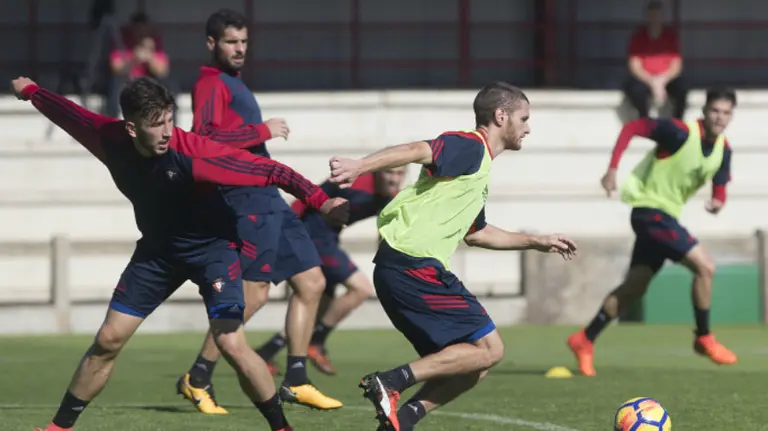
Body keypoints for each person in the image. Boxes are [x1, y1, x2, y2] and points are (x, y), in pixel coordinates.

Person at [16, 75, 348, 431]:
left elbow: (268, 169)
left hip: (214, 251)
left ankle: (282, 428)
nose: (166, 131)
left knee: (230, 342)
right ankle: (58, 428)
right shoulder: (108, 138)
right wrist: (32, 92)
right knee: (107, 340)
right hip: (159, 253)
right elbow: (69, 114)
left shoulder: (193, 153)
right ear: (131, 127)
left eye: (170, 120)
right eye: (156, 124)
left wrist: (322, 200)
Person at [327, 81, 578, 431]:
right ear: (501, 116)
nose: (528, 127)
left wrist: (535, 241)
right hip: (413, 266)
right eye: (524, 118)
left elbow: (477, 233)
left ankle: (402, 420)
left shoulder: (479, 168)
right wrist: (360, 167)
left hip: (402, 268)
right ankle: (391, 381)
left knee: (474, 364)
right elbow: (419, 148)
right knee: (490, 348)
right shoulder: (470, 146)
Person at [175, 9, 342, 413]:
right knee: (254, 295)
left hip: (269, 196)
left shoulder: (232, 81)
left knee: (313, 282)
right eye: (232, 42)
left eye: (244, 42)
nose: (240, 49)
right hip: (245, 199)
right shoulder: (210, 82)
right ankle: (197, 378)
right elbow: (205, 138)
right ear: (212, 43)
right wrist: (261, 131)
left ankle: (296, 380)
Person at [567, 87, 738, 377]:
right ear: (705, 111)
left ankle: (584, 339)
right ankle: (704, 336)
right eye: (715, 110)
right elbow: (633, 127)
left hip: (666, 217)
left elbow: (720, 187)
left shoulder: (724, 150)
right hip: (649, 212)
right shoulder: (679, 132)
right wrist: (612, 169)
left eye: (725, 113)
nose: (719, 117)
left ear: (731, 116)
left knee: (635, 286)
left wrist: (718, 202)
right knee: (705, 267)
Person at [255, 168, 406, 377]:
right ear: (378, 173)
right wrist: (285, 229)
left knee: (319, 307)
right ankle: (316, 342)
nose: (394, 178)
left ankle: (266, 352)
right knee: (360, 288)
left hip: (330, 238)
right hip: (312, 235)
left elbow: (386, 229)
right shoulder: (353, 181)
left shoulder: (392, 197)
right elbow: (310, 195)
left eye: (399, 174)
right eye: (390, 173)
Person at [624, 0, 687, 119]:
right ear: (647, 16)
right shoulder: (638, 36)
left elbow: (676, 65)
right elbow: (634, 65)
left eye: (658, 15)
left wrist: (662, 81)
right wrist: (652, 82)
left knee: (682, 88)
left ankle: (678, 122)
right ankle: (644, 121)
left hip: (666, 78)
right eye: (652, 15)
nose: (655, 18)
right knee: (635, 90)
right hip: (645, 78)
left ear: (662, 16)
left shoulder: (670, 36)